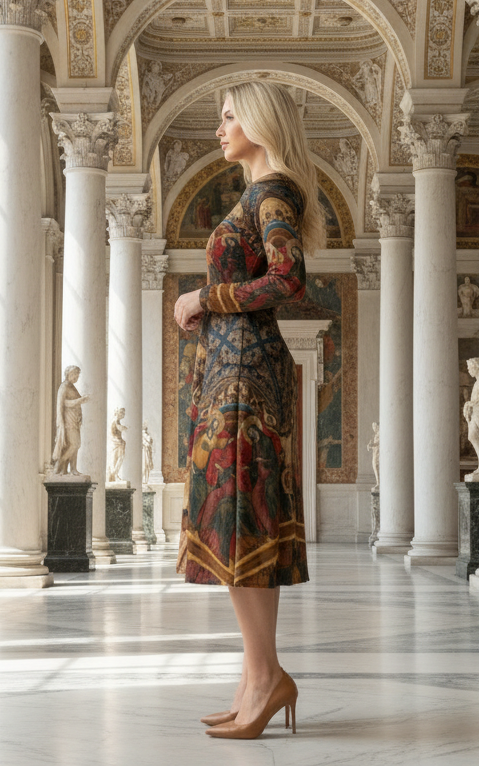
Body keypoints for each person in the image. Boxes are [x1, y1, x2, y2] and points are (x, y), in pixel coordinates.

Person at [173, 80, 325, 740]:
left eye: (229, 116)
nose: (220, 128)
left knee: (241, 521)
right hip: (234, 374)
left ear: (260, 123)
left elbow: (289, 279)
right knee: (241, 526)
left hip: (246, 382)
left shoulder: (272, 191)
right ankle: (255, 677)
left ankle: (263, 680)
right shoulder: (258, 192)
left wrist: (207, 299)